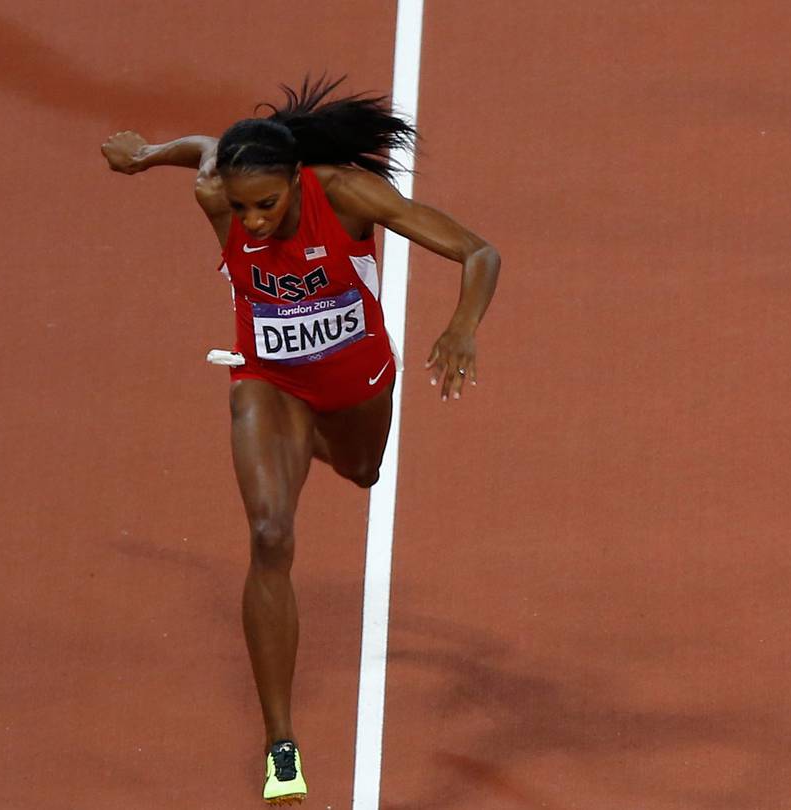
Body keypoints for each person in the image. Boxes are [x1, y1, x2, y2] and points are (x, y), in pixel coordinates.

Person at [101, 76, 500, 805]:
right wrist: (149, 154)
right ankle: (280, 742)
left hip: (357, 382)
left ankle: (309, 443)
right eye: (241, 207)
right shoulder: (217, 192)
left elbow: (480, 253)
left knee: (365, 471)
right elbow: (209, 149)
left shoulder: (345, 195)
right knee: (269, 534)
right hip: (269, 381)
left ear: (295, 180)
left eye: (267, 204)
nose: (251, 221)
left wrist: (461, 327)